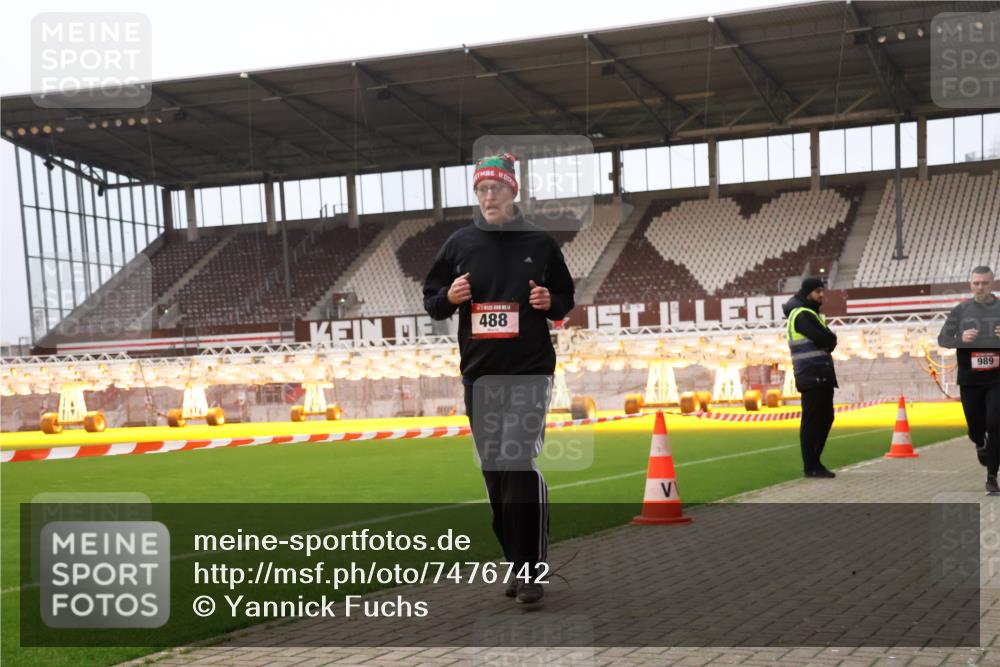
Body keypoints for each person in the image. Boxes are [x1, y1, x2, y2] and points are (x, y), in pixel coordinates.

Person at [422, 152, 575, 604]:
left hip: (529, 372)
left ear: (513, 190)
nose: (488, 196)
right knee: (494, 475)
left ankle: (531, 571)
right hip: (480, 377)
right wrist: (448, 295)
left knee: (516, 462)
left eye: (496, 188)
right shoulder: (459, 244)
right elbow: (432, 300)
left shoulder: (541, 243)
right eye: (481, 190)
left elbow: (565, 297)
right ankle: (516, 561)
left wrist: (552, 301)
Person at [937, 265, 1000, 494]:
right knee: (976, 428)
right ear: (971, 284)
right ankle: (979, 442)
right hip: (970, 380)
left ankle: (991, 477)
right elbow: (943, 339)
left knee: (995, 424)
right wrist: (961, 339)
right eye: (976, 283)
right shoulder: (961, 310)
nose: (980, 287)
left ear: (992, 284)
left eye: (985, 282)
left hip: (997, 380)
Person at [783, 277, 839, 478]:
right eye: (817, 292)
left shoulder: (808, 313)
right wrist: (830, 339)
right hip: (812, 374)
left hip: (818, 374)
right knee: (814, 420)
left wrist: (830, 339)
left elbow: (828, 340)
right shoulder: (803, 315)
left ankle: (815, 462)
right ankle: (811, 465)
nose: (821, 295)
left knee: (824, 418)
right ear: (808, 293)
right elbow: (826, 339)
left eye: (822, 291)